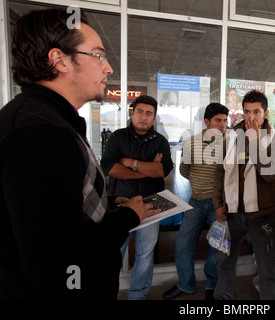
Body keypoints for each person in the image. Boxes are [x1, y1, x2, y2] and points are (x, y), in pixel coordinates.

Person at [0, 8, 159, 299]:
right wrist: (126, 218)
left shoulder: (48, 119)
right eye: (98, 55)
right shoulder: (39, 133)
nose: (108, 68)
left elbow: (56, 213)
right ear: (59, 60)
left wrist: (108, 205)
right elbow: (55, 260)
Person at [213, 90, 275, 300]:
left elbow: (270, 174)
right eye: (247, 111)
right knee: (225, 262)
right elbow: (221, 171)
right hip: (232, 212)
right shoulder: (231, 135)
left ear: (266, 113)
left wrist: (255, 141)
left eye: (256, 111)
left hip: (261, 215)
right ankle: (223, 299)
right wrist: (218, 204)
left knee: (266, 268)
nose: (251, 117)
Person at [100, 95, 173, 300]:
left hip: (152, 203)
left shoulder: (160, 142)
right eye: (139, 112)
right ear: (132, 113)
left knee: (145, 253)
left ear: (154, 117)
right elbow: (110, 168)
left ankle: (137, 295)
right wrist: (146, 169)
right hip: (121, 203)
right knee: (115, 251)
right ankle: (106, 292)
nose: (143, 117)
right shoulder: (118, 137)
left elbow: (163, 170)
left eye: (149, 113)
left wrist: (130, 162)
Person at [163, 103, 229, 300]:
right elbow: (184, 169)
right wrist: (199, 180)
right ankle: (186, 285)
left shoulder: (231, 143)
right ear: (207, 122)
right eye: (218, 120)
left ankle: (211, 285)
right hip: (196, 201)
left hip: (219, 204)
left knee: (218, 247)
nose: (223, 125)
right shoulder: (192, 142)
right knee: (183, 244)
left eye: (225, 121)